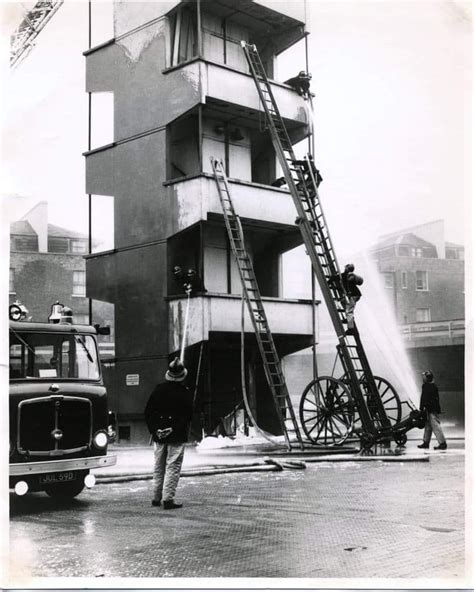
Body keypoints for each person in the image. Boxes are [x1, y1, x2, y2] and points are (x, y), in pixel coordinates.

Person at [144, 357, 194, 509]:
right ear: (182, 375)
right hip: (176, 436)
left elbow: (148, 412)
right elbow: (188, 416)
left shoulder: (158, 389)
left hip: (158, 436)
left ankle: (155, 497)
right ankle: (168, 499)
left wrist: (156, 429)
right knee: (173, 466)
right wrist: (173, 428)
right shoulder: (185, 392)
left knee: (158, 466)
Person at [417, 370, 447, 450]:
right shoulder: (434, 386)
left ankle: (442, 443)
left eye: (424, 377)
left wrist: (421, 408)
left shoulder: (426, 386)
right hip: (432, 409)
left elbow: (423, 398)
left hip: (430, 409)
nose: (423, 378)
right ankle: (426, 442)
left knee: (435, 426)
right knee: (428, 426)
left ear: (427, 378)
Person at [341, 263, 363, 335]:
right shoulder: (350, 275)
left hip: (354, 295)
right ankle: (348, 319)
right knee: (343, 302)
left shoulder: (348, 275)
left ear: (347, 269)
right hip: (356, 294)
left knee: (349, 311)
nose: (344, 269)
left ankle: (350, 329)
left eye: (345, 268)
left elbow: (341, 278)